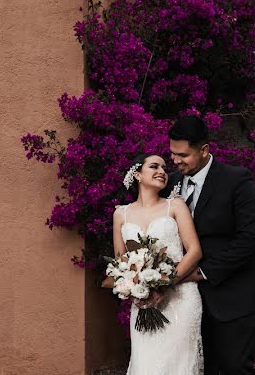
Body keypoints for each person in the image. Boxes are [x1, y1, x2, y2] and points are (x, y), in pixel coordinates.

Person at [166, 115, 255, 375]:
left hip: (233, 297)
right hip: (187, 302)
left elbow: (252, 237)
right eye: (172, 154)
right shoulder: (171, 183)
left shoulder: (236, 179)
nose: (176, 160)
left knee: (235, 369)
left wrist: (202, 272)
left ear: (204, 150)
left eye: (183, 154)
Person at [113, 153, 204, 375]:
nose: (162, 171)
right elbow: (120, 262)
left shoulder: (175, 206)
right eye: (154, 166)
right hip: (144, 304)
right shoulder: (120, 214)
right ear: (137, 175)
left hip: (181, 300)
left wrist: (164, 283)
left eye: (164, 167)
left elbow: (194, 252)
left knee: (179, 366)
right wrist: (137, 290)